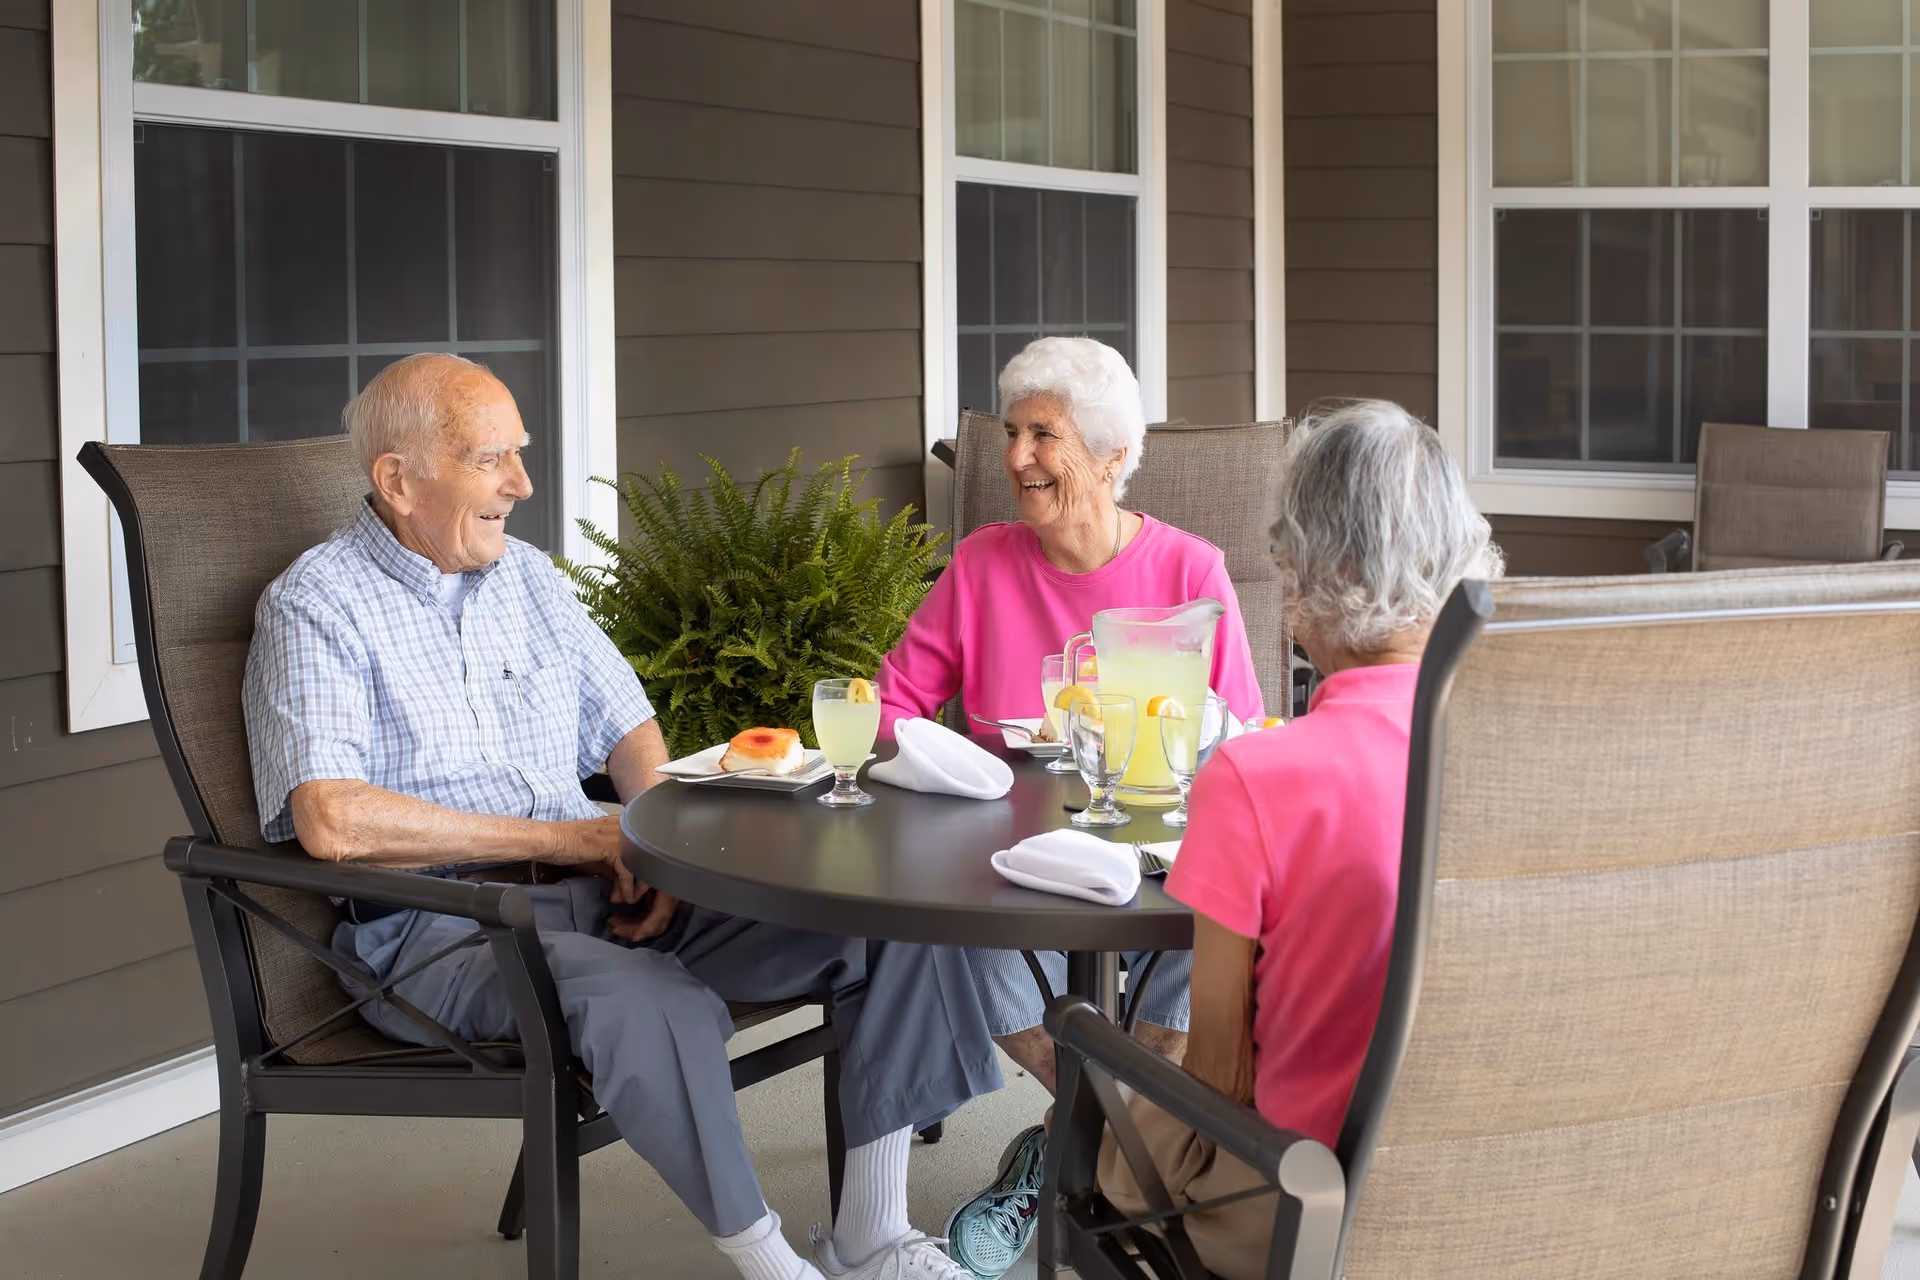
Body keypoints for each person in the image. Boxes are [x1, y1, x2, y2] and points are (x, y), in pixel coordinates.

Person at [241, 353, 1002, 1280]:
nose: (522, 484)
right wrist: (576, 841)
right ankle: (774, 1268)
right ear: (398, 480)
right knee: (648, 998)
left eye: (520, 456)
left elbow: (629, 726)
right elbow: (332, 821)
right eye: (493, 461)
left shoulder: (526, 578)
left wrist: (657, 849)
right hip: (442, 935)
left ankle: (872, 1239)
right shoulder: (316, 605)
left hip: (604, 893)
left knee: (885, 917)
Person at [875, 336, 1265, 1278]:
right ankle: (1113, 1149)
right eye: (1011, 432)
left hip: (1159, 866)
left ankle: (1060, 1153)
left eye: (1043, 434)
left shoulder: (1191, 573)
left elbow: (1247, 742)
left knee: (1227, 915)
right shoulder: (981, 564)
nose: (1016, 458)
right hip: (1017, 868)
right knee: (933, 915)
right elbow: (890, 708)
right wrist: (951, 773)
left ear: (1113, 456)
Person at [1096, 400, 1504, 1280]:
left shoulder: (1255, 779)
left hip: (1305, 1214)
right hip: (1503, 1196)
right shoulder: (1526, 752)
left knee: (1111, 1114)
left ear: (1303, 576)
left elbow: (1217, 1073)